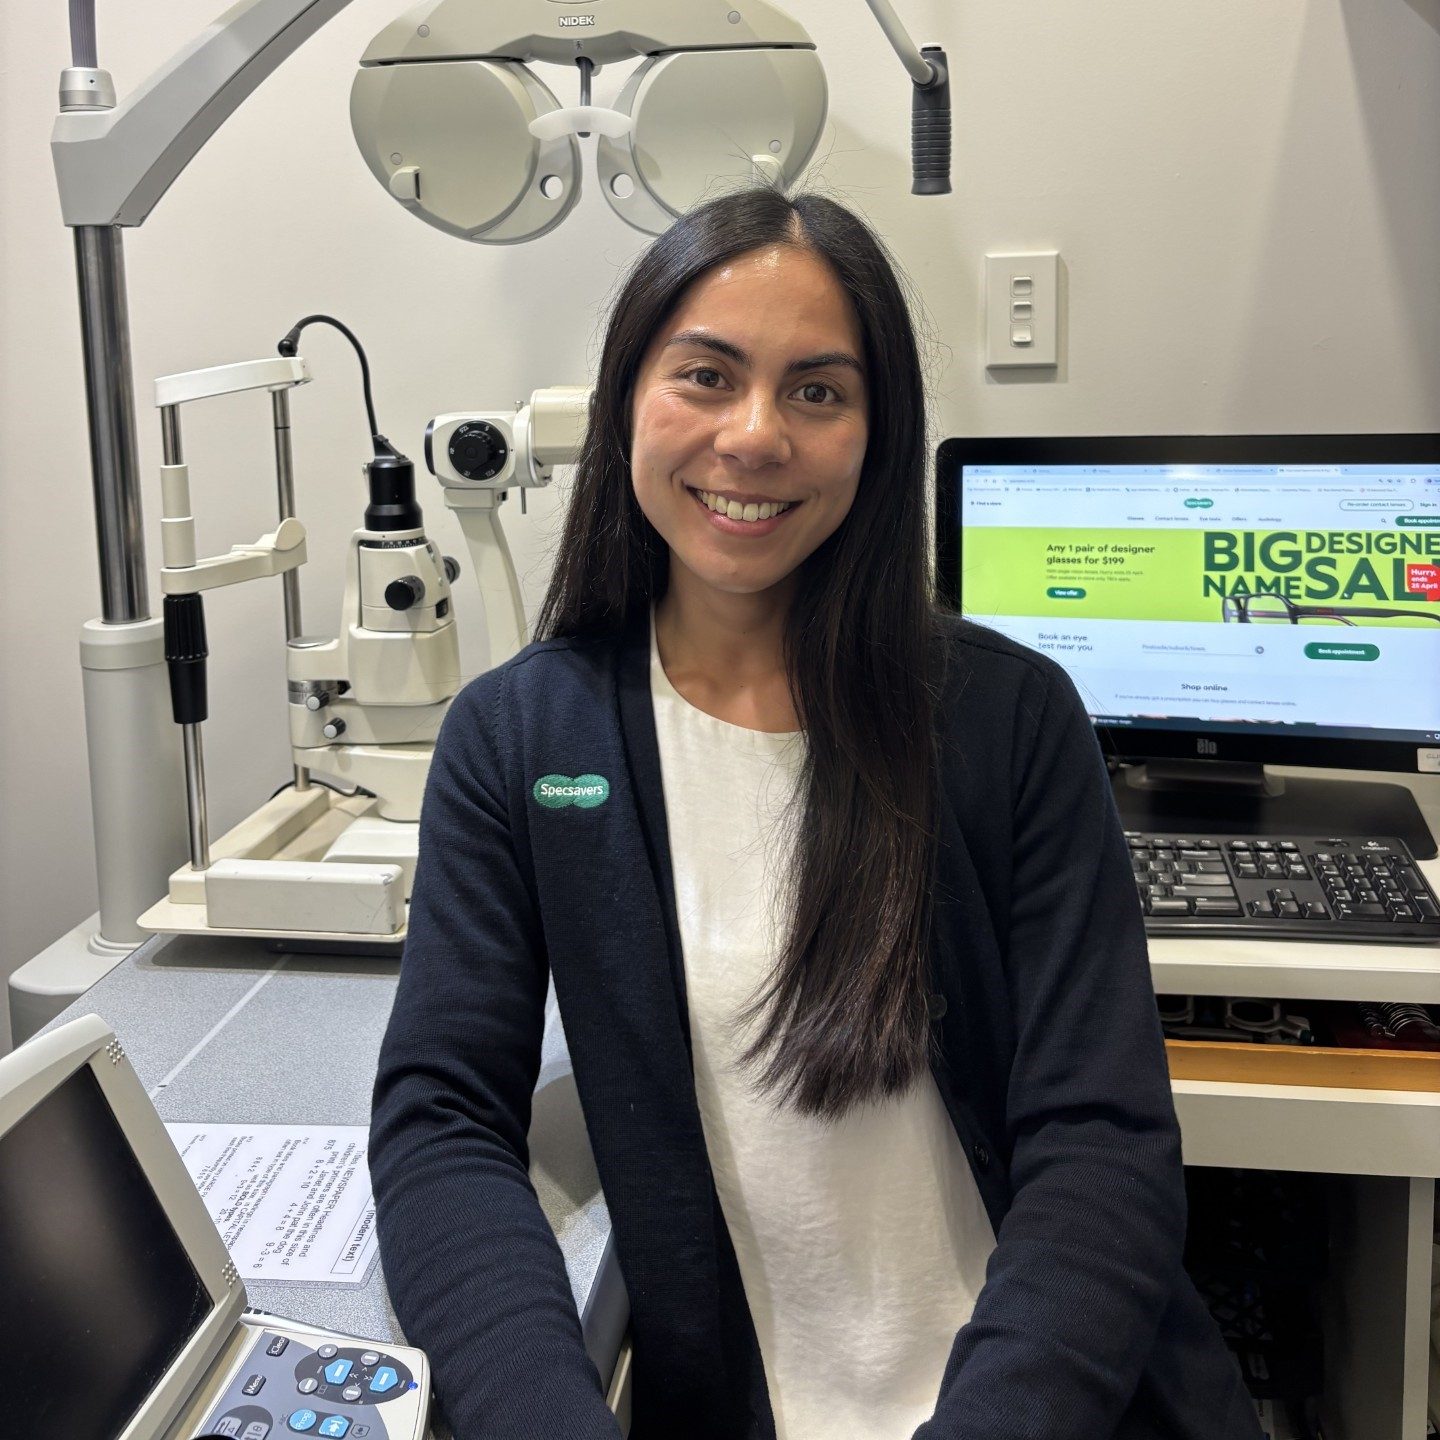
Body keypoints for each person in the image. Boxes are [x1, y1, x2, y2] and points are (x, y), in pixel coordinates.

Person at [368, 187, 1259, 1440]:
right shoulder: (520, 741)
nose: (753, 436)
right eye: (706, 375)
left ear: (876, 436)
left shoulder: (1006, 719)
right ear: (628, 398)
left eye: (817, 391)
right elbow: (442, 1121)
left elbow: (1101, 1144)